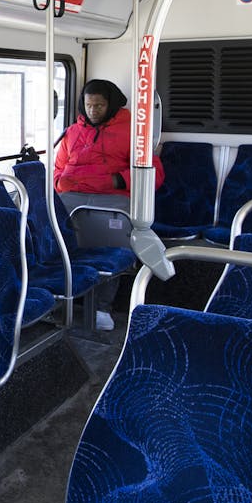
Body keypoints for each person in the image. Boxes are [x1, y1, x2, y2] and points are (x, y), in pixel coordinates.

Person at [54, 79, 164, 331]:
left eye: (99, 105)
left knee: (110, 247)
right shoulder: (72, 132)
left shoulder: (134, 133)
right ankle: (62, 298)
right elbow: (58, 169)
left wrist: (117, 179)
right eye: (89, 105)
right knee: (56, 242)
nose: (93, 111)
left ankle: (102, 307)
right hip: (72, 197)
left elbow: (154, 174)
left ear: (111, 105)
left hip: (112, 199)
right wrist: (61, 182)